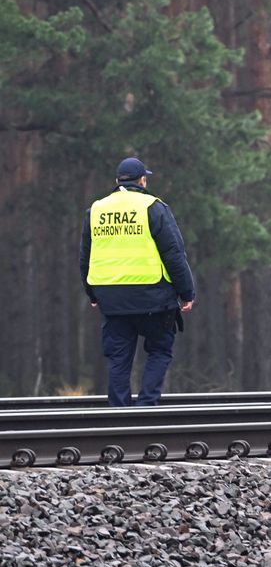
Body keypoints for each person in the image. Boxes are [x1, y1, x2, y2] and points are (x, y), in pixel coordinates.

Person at [80, 157, 195, 407]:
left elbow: (85, 257)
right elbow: (174, 254)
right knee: (160, 350)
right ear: (143, 180)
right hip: (154, 297)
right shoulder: (153, 207)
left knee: (118, 358)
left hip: (112, 300)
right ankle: (146, 408)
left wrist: (92, 294)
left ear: (117, 181)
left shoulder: (97, 210)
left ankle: (119, 415)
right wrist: (187, 293)